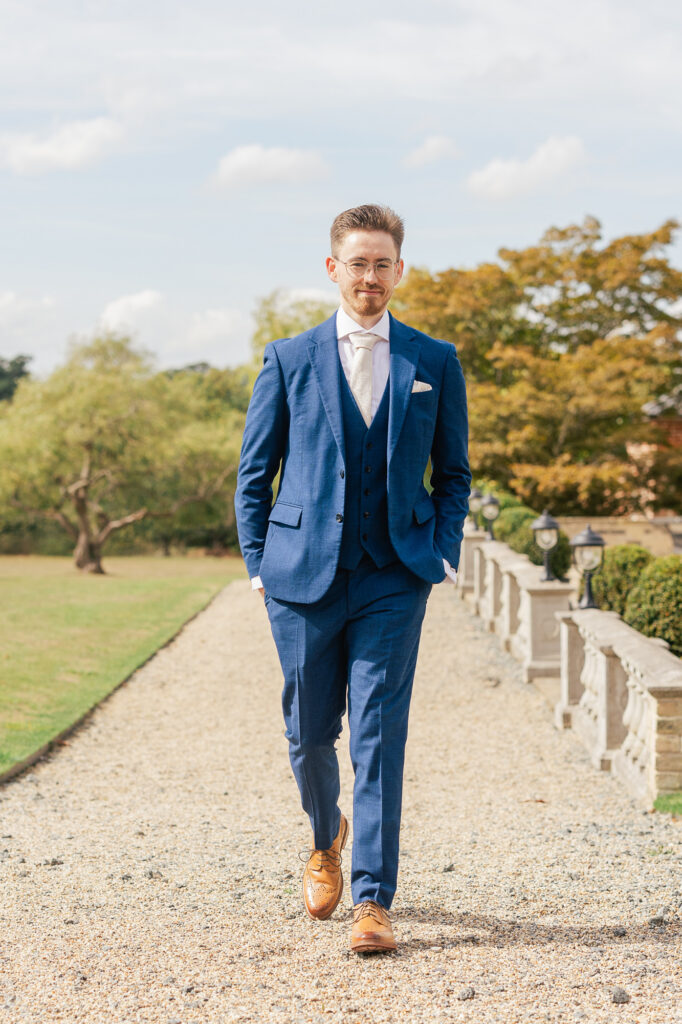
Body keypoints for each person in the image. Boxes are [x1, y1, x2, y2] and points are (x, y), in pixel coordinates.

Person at [235, 204, 470, 953]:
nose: (370, 277)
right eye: (356, 263)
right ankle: (322, 835)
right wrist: (256, 565)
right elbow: (254, 475)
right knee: (308, 736)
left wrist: (439, 550)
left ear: (399, 271)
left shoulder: (434, 362)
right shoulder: (288, 358)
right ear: (333, 269)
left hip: (394, 576)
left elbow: (455, 473)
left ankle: (373, 898)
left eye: (382, 264)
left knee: (378, 735)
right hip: (299, 577)